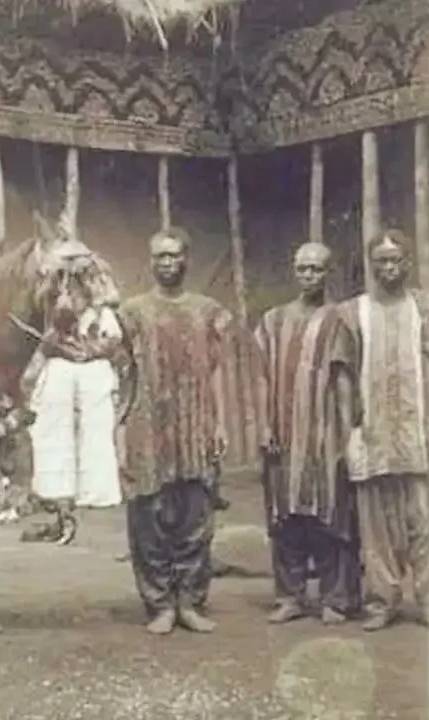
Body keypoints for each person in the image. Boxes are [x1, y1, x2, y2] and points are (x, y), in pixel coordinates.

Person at [118, 228, 253, 636]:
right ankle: (159, 604)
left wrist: (220, 421)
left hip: (196, 425)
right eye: (160, 256)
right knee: (148, 518)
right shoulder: (131, 313)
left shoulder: (208, 312)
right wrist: (119, 427)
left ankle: (191, 602)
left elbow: (221, 370)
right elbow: (121, 375)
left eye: (174, 255)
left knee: (196, 519)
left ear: (186, 259)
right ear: (150, 261)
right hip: (147, 426)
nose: (167, 263)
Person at [254, 242, 361, 625]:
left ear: (328, 273)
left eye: (316, 269)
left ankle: (335, 598)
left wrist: (348, 434)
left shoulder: (339, 320)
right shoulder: (272, 321)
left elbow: (343, 378)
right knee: (284, 517)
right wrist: (264, 424)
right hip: (283, 435)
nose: (309, 276)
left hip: (324, 434)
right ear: (294, 270)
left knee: (330, 515)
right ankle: (290, 596)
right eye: (303, 268)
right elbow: (262, 377)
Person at [334, 229, 429, 631]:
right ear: (371, 265)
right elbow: (343, 374)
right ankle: (382, 601)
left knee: (426, 520)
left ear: (408, 263)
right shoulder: (352, 312)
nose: (389, 268)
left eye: (396, 260)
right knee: (375, 526)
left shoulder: (426, 307)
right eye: (382, 261)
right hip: (372, 433)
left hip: (420, 432)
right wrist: (348, 431)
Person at [26, 235, 124, 514]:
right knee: (52, 423)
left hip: (92, 361)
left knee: (96, 425)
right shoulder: (46, 288)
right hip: (59, 359)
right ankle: (54, 490)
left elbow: (112, 333)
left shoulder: (99, 288)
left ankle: (97, 490)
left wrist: (91, 349)